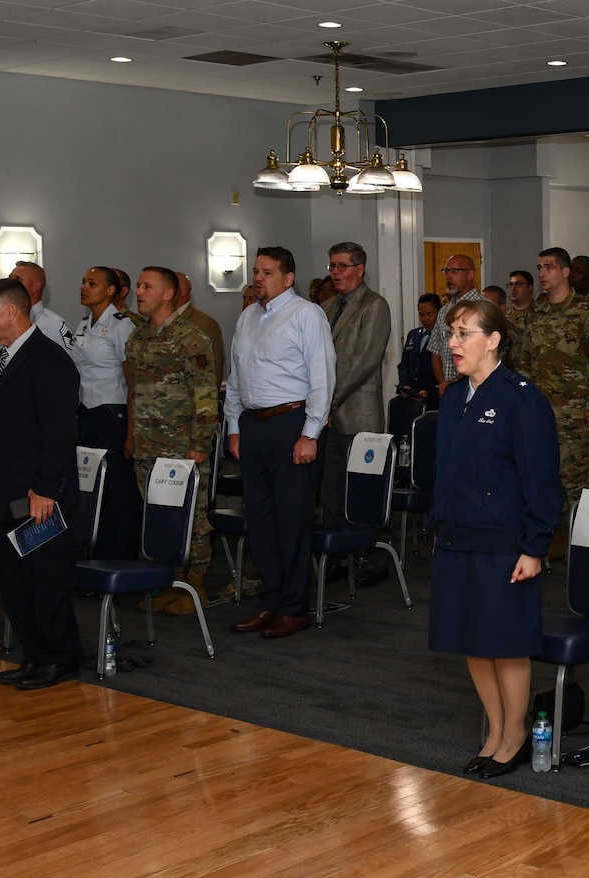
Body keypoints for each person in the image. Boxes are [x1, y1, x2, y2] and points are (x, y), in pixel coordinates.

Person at [431, 299, 564, 779]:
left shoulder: (521, 397)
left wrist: (534, 546)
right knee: (473, 640)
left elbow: (542, 480)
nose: (452, 343)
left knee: (505, 643)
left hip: (503, 541)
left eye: (464, 333)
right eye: (452, 333)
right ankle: (494, 730)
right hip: (457, 535)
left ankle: (516, 735)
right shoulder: (451, 397)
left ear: (494, 340)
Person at [0, 278, 82, 689]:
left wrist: (47, 489)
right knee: (16, 583)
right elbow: (0, 430)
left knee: (45, 580)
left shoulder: (49, 360)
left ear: (10, 312)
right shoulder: (2, 360)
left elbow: (58, 432)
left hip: (39, 497)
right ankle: (34, 655)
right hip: (7, 492)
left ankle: (60, 658)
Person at [225, 247, 335, 641]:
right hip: (253, 427)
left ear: (288, 278)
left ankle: (293, 607)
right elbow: (236, 377)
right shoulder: (247, 317)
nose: (258, 278)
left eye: (267, 272)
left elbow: (322, 377)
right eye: (255, 271)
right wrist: (234, 426)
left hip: (291, 424)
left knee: (291, 521)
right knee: (261, 521)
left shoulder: (306, 315)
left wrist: (310, 433)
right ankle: (269, 602)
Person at [126, 267, 219, 609]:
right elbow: (135, 392)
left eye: (147, 286)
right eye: (138, 285)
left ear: (168, 293)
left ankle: (194, 587)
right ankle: (168, 580)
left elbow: (206, 395)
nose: (139, 291)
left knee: (192, 517)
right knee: (159, 516)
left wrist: (200, 443)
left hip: (183, 446)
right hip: (148, 445)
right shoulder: (137, 339)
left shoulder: (190, 338)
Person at [515, 246, 589, 555]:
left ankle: (578, 540)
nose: (542, 273)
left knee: (573, 477)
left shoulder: (587, 312)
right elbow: (524, 360)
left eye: (549, 267)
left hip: (575, 412)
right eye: (539, 267)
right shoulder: (536, 312)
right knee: (541, 472)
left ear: (565, 272)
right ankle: (550, 531)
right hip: (539, 410)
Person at [318, 242, 392, 524]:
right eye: (332, 266)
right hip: (329, 419)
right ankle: (338, 555)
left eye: (342, 266)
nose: (335, 272)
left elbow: (363, 361)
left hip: (359, 415)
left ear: (359, 270)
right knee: (332, 491)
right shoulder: (325, 308)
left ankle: (370, 560)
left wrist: (326, 402)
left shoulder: (374, 305)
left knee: (362, 492)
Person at [73, 266, 139, 558]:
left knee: (117, 492)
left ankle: (119, 558)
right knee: (90, 488)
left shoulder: (121, 326)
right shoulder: (83, 325)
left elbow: (132, 381)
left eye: (93, 283)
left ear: (111, 290)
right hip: (86, 414)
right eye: (84, 282)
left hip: (113, 414)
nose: (84, 287)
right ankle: (94, 557)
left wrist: (131, 432)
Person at [428, 253, 484, 393]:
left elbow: (481, 356)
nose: (448, 276)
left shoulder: (483, 308)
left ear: (470, 275)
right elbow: (436, 352)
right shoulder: (443, 311)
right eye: (446, 271)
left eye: (454, 271)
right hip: (447, 391)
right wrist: (443, 384)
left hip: (476, 390)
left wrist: (453, 384)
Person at [172, 273, 226, 386]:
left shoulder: (204, 323)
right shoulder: (160, 321)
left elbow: (215, 367)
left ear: (184, 291)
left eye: (171, 288)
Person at [12, 260, 72, 352]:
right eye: (10, 278)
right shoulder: (6, 322)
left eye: (18, 279)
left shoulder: (55, 326)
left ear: (35, 286)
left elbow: (68, 363)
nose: (10, 283)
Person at [396, 294, 440, 406]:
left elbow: (444, 369)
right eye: (422, 315)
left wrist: (429, 391)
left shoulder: (443, 336)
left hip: (433, 399)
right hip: (410, 397)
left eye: (430, 314)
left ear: (439, 312)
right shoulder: (413, 335)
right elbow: (404, 365)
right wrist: (404, 385)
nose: (425, 319)